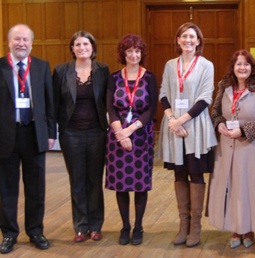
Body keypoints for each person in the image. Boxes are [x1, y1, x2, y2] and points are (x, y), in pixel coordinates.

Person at [208, 49, 255, 248]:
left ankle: (249, 229)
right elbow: (215, 111)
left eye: (246, 64)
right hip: (226, 147)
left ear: (252, 68)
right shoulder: (224, 86)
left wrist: (243, 130)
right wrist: (219, 123)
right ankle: (235, 228)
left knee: (250, 189)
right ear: (233, 67)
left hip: (252, 147)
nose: (242, 68)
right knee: (231, 188)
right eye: (238, 64)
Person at [158, 22, 217, 248]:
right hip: (174, 128)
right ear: (178, 40)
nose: (188, 40)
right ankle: (183, 225)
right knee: (179, 175)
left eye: (192, 37)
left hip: (196, 128)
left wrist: (181, 121)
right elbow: (164, 94)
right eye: (184, 37)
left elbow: (205, 98)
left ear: (198, 41)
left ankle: (196, 228)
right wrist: (172, 120)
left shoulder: (206, 65)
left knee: (196, 174)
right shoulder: (170, 65)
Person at [0, 24, 56, 254]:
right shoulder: (0, 66)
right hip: (5, 135)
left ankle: (35, 230)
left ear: (31, 43)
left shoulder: (41, 66)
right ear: (9, 42)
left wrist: (51, 132)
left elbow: (50, 102)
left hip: (34, 133)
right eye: (17, 39)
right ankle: (9, 234)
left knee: (36, 188)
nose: (21, 43)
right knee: (6, 189)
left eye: (25, 39)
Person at [53, 31, 109, 243]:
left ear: (93, 48)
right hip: (71, 134)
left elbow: (108, 100)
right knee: (76, 180)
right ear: (72, 48)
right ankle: (80, 226)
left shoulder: (102, 70)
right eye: (77, 44)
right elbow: (55, 103)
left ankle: (95, 226)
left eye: (86, 44)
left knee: (94, 179)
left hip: (96, 133)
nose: (82, 47)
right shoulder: (61, 71)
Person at [105, 34, 158, 246]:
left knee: (140, 184)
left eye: (137, 51)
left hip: (141, 135)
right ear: (123, 54)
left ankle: (138, 227)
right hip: (117, 137)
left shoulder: (150, 78)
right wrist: (120, 133)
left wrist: (130, 130)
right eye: (129, 51)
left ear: (141, 53)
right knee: (121, 184)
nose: (134, 55)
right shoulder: (114, 77)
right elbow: (110, 107)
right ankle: (125, 226)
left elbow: (152, 109)